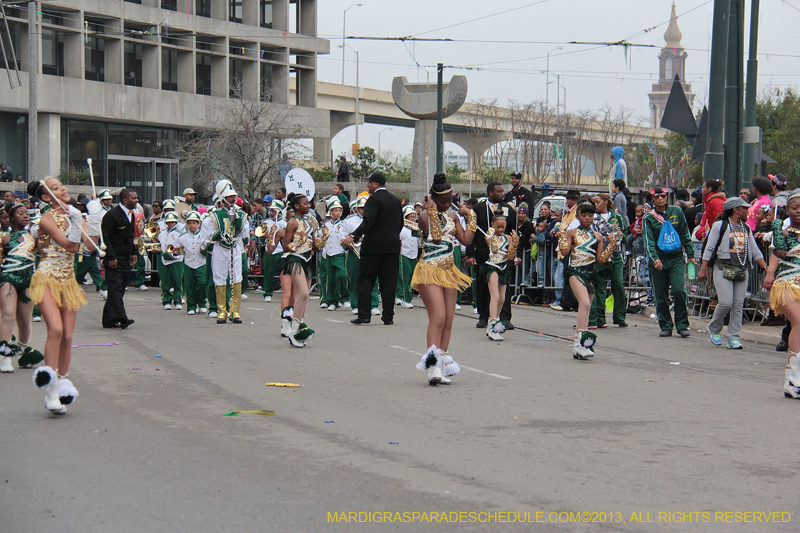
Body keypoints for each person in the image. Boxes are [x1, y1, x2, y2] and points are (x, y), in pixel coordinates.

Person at [28, 178, 96, 415]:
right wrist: (77, 221)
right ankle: (50, 390)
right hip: (46, 276)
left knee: (67, 335)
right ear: (46, 197)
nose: (63, 189)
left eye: (62, 186)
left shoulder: (76, 215)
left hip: (68, 279)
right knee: (55, 330)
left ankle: (62, 382)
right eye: (56, 188)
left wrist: (93, 218)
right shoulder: (46, 218)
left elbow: (90, 246)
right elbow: (69, 246)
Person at [411, 173, 476, 385]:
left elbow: (465, 239)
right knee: (437, 316)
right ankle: (432, 367)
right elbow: (436, 237)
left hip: (449, 270)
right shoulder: (424, 216)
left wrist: (471, 218)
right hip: (429, 269)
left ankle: (441, 362)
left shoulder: (453, 217)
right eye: (442, 202)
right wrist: (430, 211)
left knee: (449, 318)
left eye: (450, 201)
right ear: (432, 198)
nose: (447, 205)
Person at [698, 197, 766, 349]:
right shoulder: (719, 226)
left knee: (737, 305)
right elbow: (709, 248)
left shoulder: (746, 228)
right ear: (736, 209)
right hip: (722, 268)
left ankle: (733, 337)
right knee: (726, 302)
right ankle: (714, 328)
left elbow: (755, 251)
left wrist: (767, 268)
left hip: (742, 270)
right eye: (744, 208)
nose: (747, 211)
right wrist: (703, 269)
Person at [341, 173, 404, 326]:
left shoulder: (374, 200)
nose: (367, 185)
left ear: (376, 184)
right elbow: (400, 223)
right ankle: (388, 316)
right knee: (388, 282)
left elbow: (368, 222)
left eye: (369, 183)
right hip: (392, 248)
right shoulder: (395, 200)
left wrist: (354, 236)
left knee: (366, 280)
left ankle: (364, 314)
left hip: (373, 248)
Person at [559, 201, 614, 360]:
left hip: (590, 274)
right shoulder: (572, 232)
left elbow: (601, 260)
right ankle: (581, 343)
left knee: (587, 308)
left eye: (591, 215)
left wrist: (611, 245)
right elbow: (564, 251)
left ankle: (578, 345)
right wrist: (562, 234)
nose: (588, 218)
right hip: (575, 271)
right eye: (584, 215)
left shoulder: (597, 236)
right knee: (585, 303)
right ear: (577, 216)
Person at [643, 186, 695, 338]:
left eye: (663, 196)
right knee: (661, 295)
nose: (660, 198)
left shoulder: (677, 212)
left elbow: (685, 233)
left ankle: (682, 324)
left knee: (679, 290)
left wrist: (690, 254)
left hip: (676, 258)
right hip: (659, 259)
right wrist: (654, 258)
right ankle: (665, 325)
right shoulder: (648, 218)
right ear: (653, 199)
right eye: (657, 196)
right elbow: (648, 241)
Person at [278, 192, 328, 347]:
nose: (309, 206)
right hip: (294, 259)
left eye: (309, 203)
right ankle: (293, 330)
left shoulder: (310, 222)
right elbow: (286, 246)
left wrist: (323, 238)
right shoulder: (292, 223)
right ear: (296, 206)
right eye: (305, 204)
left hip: (307, 260)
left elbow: (314, 245)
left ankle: (298, 326)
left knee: (304, 298)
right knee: (304, 293)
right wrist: (297, 242)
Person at [762, 192, 800, 398]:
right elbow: (778, 254)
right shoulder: (783, 233)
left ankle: (793, 381)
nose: (799, 211)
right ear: (788, 210)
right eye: (795, 208)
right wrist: (769, 274)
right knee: (799, 322)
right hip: (786, 283)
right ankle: (794, 380)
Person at [466, 182, 517, 329]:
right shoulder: (478, 209)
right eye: (499, 192)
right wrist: (470, 254)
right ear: (490, 193)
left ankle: (505, 317)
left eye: (503, 191)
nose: (502, 194)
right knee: (483, 286)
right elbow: (472, 232)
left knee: (504, 287)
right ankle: (484, 316)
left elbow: (514, 233)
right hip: (483, 254)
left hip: (503, 255)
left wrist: (515, 254)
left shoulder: (509, 209)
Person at [0, 203, 44, 373]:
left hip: (28, 280)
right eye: (20, 213)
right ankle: (4, 355)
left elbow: (47, 253)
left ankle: (22, 350)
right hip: (7, 278)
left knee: (25, 322)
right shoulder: (4, 238)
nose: (25, 216)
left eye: (27, 214)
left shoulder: (34, 238)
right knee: (9, 315)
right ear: (12, 218)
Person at [208, 180, 248, 324]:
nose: (233, 199)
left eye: (234, 196)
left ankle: (235, 311)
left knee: (236, 278)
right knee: (219, 277)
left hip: (235, 248)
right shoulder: (213, 215)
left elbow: (244, 234)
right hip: (220, 249)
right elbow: (205, 236)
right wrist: (219, 235)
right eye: (230, 196)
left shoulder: (241, 214)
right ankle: (222, 312)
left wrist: (237, 219)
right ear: (223, 198)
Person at [100, 189, 138, 329]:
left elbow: (130, 236)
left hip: (125, 257)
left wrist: (133, 252)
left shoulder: (131, 214)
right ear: (125, 200)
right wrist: (111, 257)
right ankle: (122, 318)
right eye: (134, 198)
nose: (137, 200)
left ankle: (108, 320)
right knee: (115, 288)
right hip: (114, 258)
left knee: (120, 288)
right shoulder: (111, 215)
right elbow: (106, 237)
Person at [590, 193, 628, 328]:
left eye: (598, 202)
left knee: (618, 285)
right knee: (599, 287)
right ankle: (600, 318)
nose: (595, 205)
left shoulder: (617, 217)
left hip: (615, 255)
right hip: (600, 255)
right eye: (594, 202)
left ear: (606, 202)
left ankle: (619, 316)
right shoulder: (592, 218)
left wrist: (621, 235)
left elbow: (626, 235)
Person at [482, 211, 520, 340]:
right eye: (498, 226)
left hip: (503, 267)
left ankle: (495, 320)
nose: (500, 229)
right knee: (495, 295)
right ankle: (492, 323)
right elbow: (493, 248)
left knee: (503, 298)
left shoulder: (507, 238)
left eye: (503, 227)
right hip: (492, 266)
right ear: (492, 225)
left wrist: (515, 241)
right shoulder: (489, 236)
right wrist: (491, 234)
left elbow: (509, 255)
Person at [338, 196, 379, 315]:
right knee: (354, 278)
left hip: (371, 252)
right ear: (357, 209)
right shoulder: (349, 220)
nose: (363, 210)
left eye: (365, 208)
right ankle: (355, 305)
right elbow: (341, 235)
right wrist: (347, 243)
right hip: (354, 252)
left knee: (373, 278)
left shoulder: (376, 219)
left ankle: (373, 305)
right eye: (361, 208)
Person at [178, 212, 207, 315]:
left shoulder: (203, 236)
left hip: (201, 263)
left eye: (194, 223)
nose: (192, 225)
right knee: (189, 285)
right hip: (188, 264)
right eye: (190, 223)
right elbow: (178, 249)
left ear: (198, 224)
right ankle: (191, 306)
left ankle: (202, 303)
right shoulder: (182, 238)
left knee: (202, 283)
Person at [321, 199, 348, 311]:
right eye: (335, 210)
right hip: (328, 253)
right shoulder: (325, 225)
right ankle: (332, 301)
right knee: (330, 278)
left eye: (339, 210)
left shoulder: (343, 224)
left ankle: (345, 297)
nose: (338, 212)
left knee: (342, 275)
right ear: (330, 212)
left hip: (339, 253)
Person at [396, 204, 420, 309]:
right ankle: (405, 299)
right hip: (404, 255)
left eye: (413, 217)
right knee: (404, 277)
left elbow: (419, 244)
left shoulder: (417, 229)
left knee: (412, 277)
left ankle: (407, 297)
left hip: (414, 256)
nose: (412, 219)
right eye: (409, 217)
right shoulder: (401, 229)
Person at [158, 212, 184, 310]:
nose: (171, 224)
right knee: (165, 282)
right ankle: (166, 301)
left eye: (173, 222)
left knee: (177, 282)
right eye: (169, 222)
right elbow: (161, 246)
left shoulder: (179, 234)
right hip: (165, 260)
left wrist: (174, 252)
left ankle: (178, 301)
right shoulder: (162, 234)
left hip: (176, 260)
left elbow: (180, 247)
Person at [262, 200, 286, 303]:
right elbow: (260, 235)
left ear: (279, 211)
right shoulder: (266, 222)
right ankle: (267, 292)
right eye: (270, 211)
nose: (271, 213)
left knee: (285, 272)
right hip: (270, 250)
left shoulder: (285, 223)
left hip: (281, 251)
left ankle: (286, 292)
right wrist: (264, 236)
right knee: (268, 272)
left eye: (273, 211)